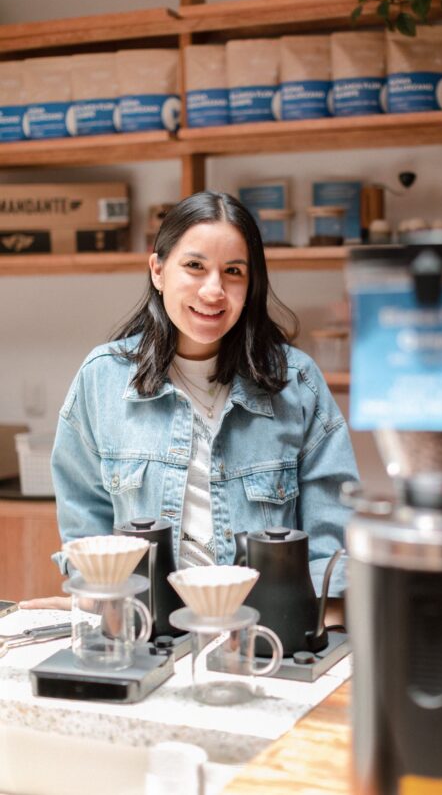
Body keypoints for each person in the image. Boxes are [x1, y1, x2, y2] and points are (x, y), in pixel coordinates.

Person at [20, 191, 358, 619]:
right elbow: (86, 523)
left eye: (233, 271)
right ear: (158, 270)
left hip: (270, 638)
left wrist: (326, 647)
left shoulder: (298, 383)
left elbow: (331, 552)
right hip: (144, 636)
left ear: (250, 284)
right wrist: (90, 605)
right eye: (195, 266)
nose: (213, 290)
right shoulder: (102, 379)